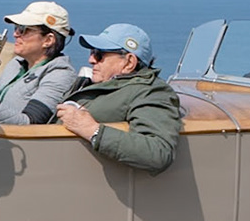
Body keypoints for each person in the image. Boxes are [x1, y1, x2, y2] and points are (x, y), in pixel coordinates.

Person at [54, 23, 183, 175]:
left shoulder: (151, 92)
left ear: (129, 62)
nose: (91, 59)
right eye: (92, 52)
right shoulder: (100, 84)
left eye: (99, 54)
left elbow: (158, 152)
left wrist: (91, 130)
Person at [0, 2, 76, 125]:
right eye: (16, 27)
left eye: (24, 29)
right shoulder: (16, 64)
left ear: (48, 40)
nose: (15, 34)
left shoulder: (60, 75)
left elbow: (30, 122)